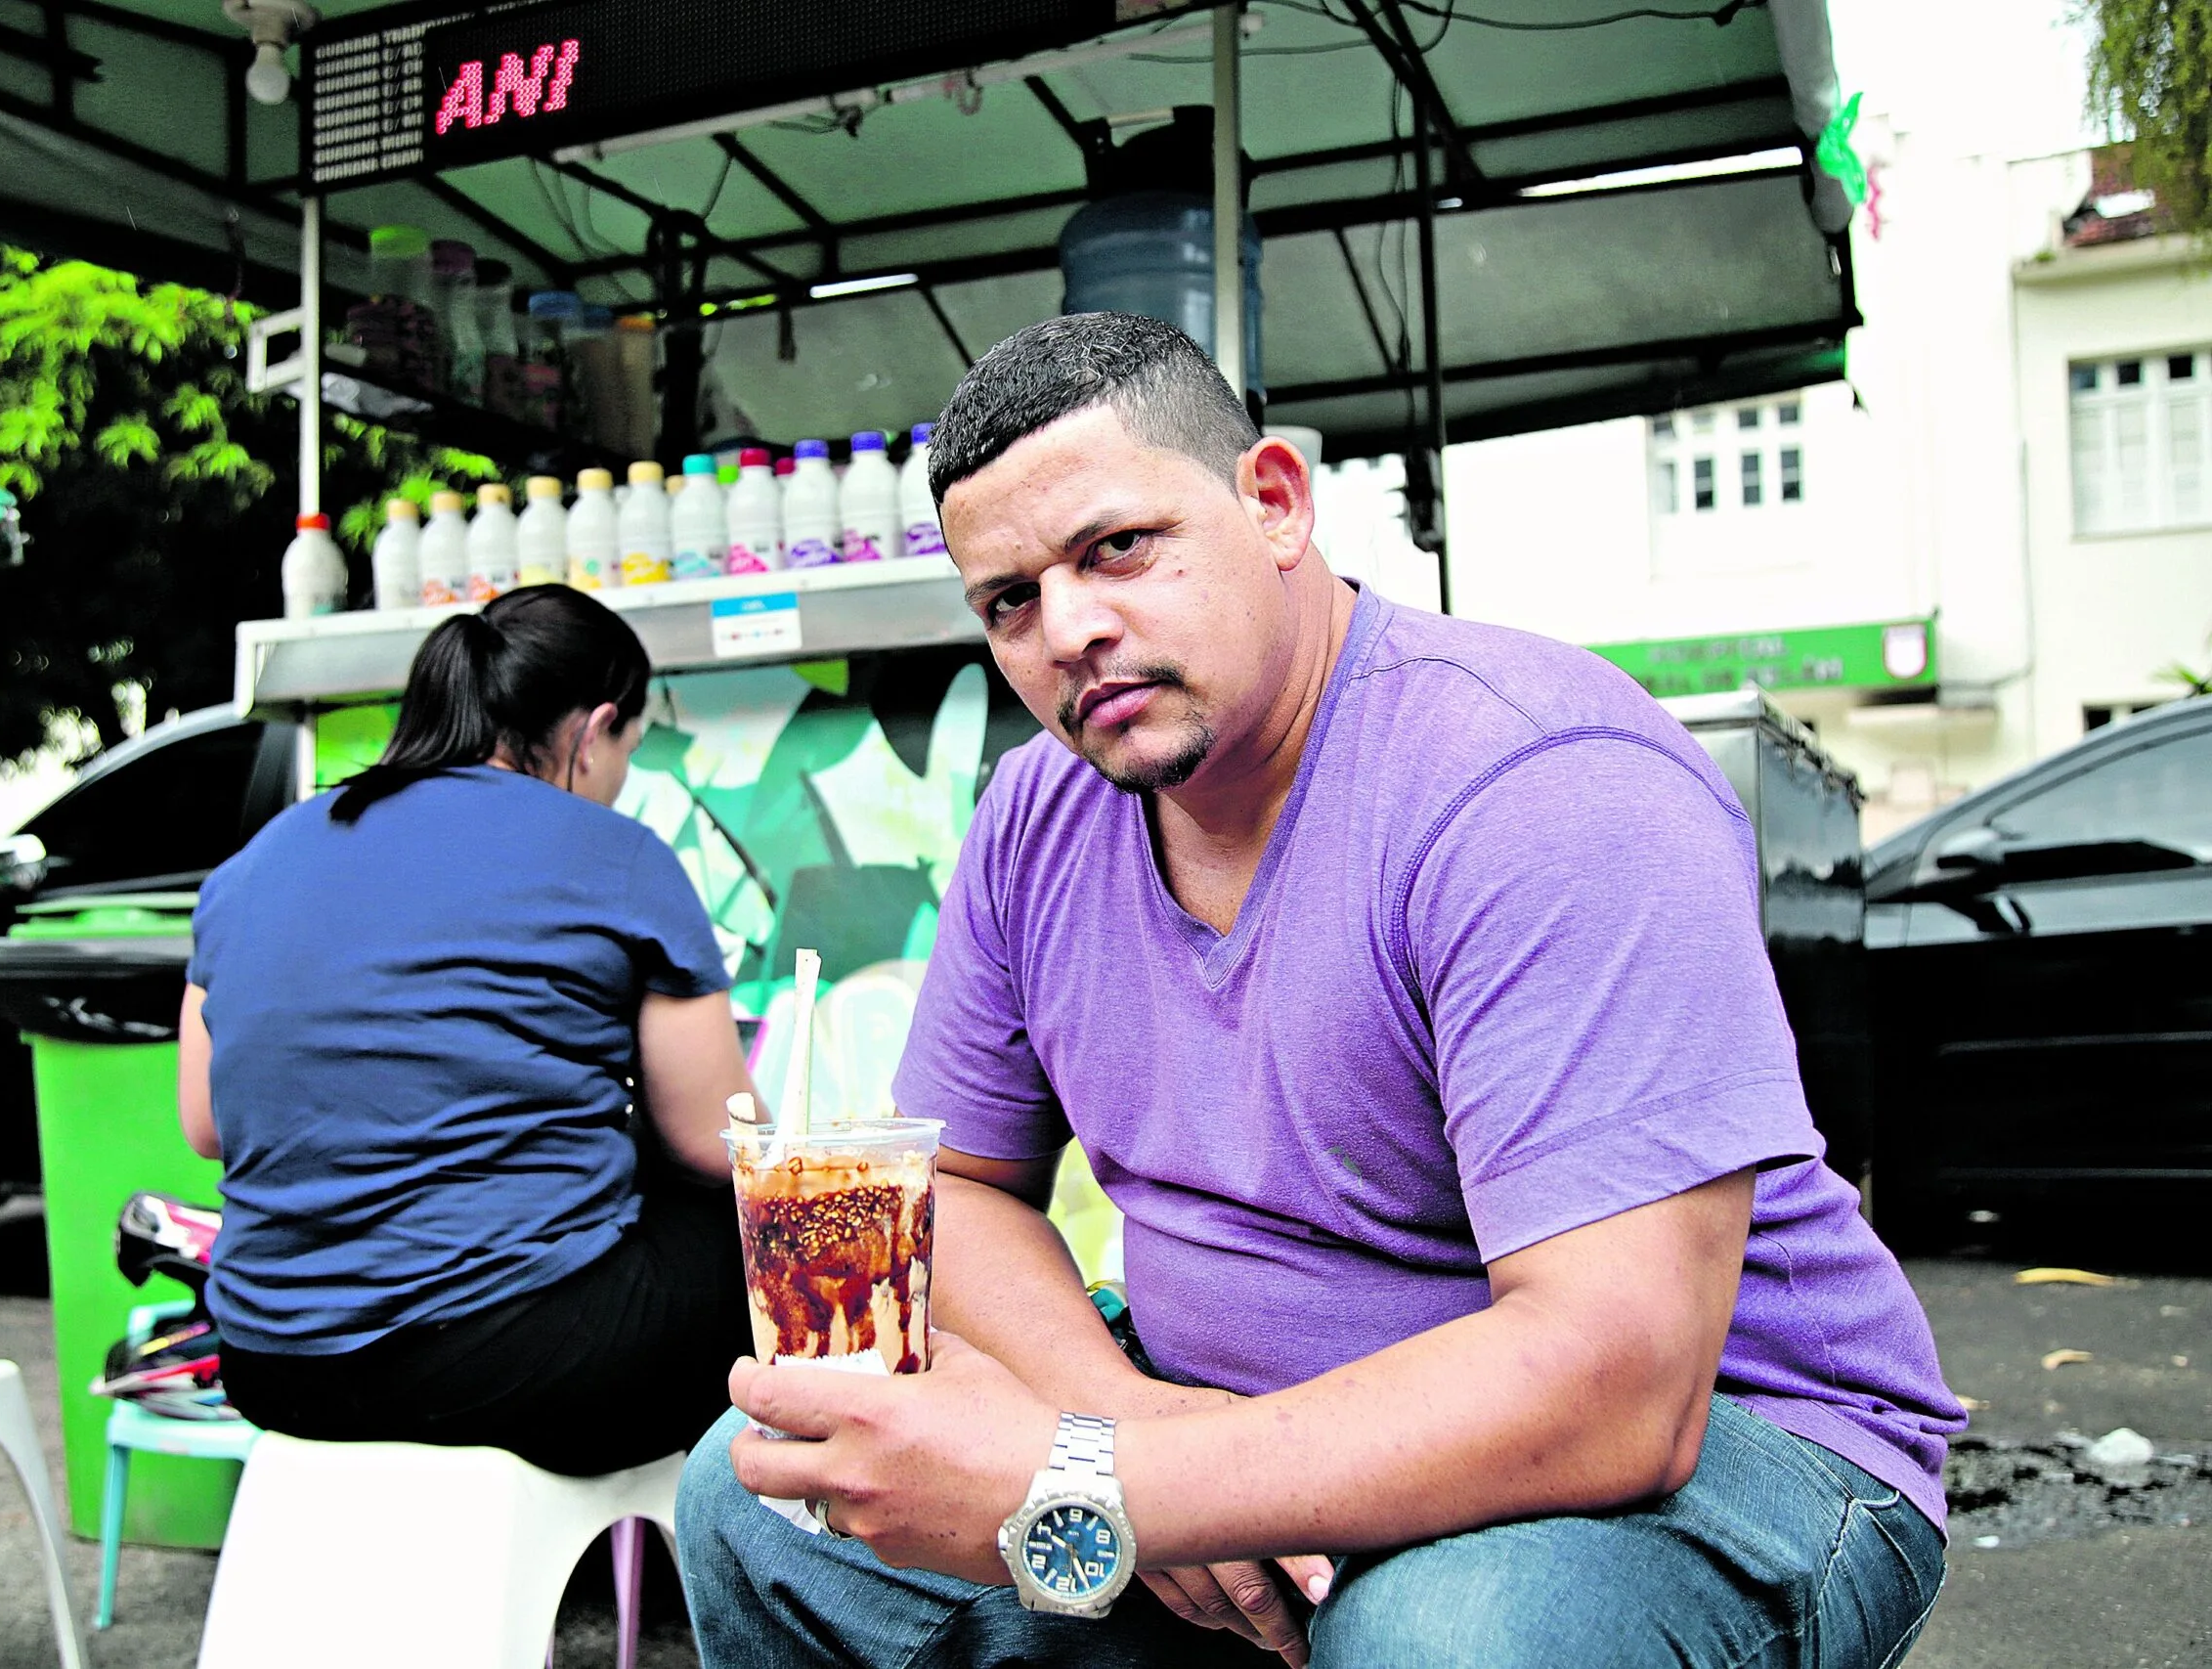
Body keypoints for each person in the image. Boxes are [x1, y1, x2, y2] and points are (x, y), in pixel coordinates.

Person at [676, 315, 1964, 1668]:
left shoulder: (1540, 780)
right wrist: (1119, 1427)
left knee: (1454, 1638)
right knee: (768, 1495)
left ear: (1275, 504)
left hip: (1729, 1440)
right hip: (1215, 1408)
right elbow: (966, 1184)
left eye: (1117, 547)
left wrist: (1101, 1484)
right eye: (1008, 599)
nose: (1069, 629)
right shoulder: (1034, 818)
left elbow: (1618, 1387)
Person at [176, 583, 755, 1475]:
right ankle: (805, 1572)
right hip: (521, 1367)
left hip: (270, 1365)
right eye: (627, 749)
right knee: (772, 1229)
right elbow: (716, 1142)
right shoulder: (617, 854)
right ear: (594, 729)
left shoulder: (254, 862)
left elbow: (208, 1124)